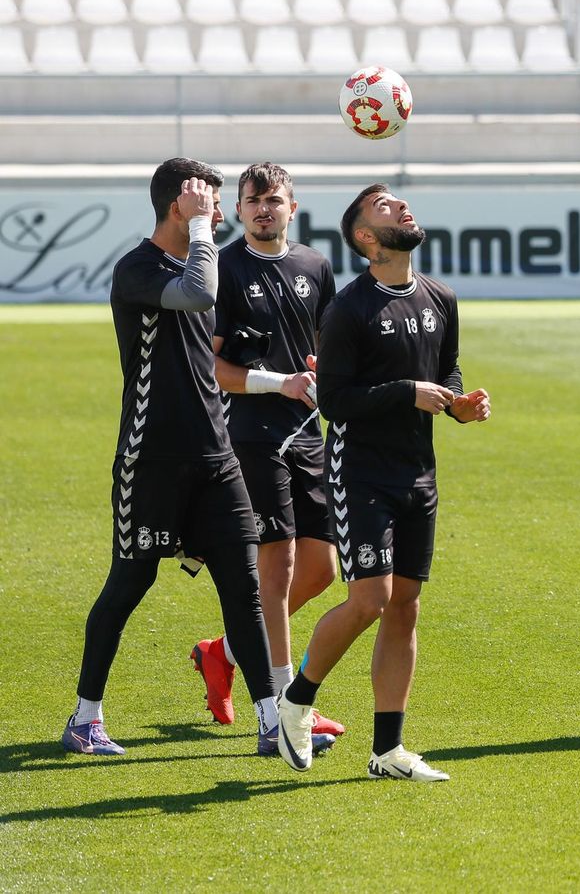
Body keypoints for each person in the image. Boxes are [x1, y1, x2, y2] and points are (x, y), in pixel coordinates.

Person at [64, 158, 284, 757]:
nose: (218, 212)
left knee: (244, 588)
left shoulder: (199, 261)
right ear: (176, 206)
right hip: (152, 457)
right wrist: (202, 228)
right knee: (130, 581)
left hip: (217, 455)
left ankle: (272, 722)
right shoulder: (137, 268)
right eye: (206, 201)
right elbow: (199, 293)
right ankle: (85, 719)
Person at [276, 185, 490, 782]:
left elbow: (445, 372)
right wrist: (405, 393)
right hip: (360, 473)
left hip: (419, 472)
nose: (401, 207)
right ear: (366, 237)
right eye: (384, 206)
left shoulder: (441, 298)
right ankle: (296, 700)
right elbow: (334, 401)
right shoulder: (349, 309)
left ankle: (387, 751)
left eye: (399, 201)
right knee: (369, 599)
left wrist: (458, 405)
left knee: (405, 607)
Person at [190, 163, 346, 743]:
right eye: (253, 200)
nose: (263, 209)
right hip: (251, 434)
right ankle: (283, 710)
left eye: (273, 200)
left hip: (308, 432)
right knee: (275, 571)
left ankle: (223, 651)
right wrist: (279, 382)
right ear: (237, 209)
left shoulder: (315, 265)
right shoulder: (224, 269)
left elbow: (328, 347)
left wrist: (331, 376)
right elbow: (210, 366)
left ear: (292, 208)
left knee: (321, 570)